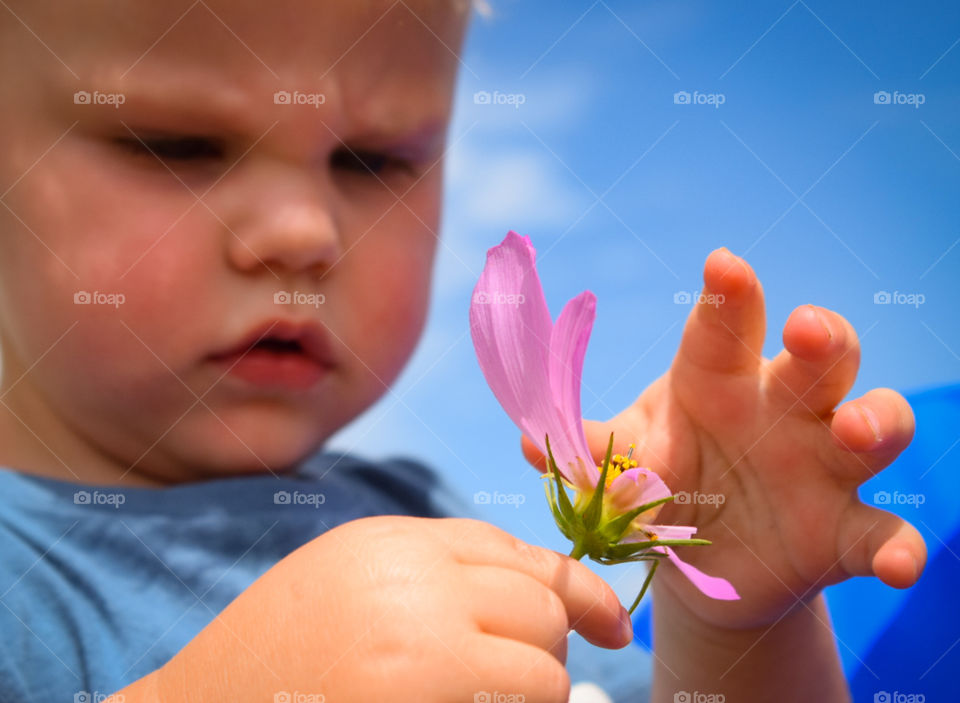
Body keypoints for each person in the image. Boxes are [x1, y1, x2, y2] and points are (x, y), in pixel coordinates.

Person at [0, 1, 924, 701]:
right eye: (176, 145)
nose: (303, 232)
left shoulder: (424, 516)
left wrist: (735, 628)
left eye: (375, 160)